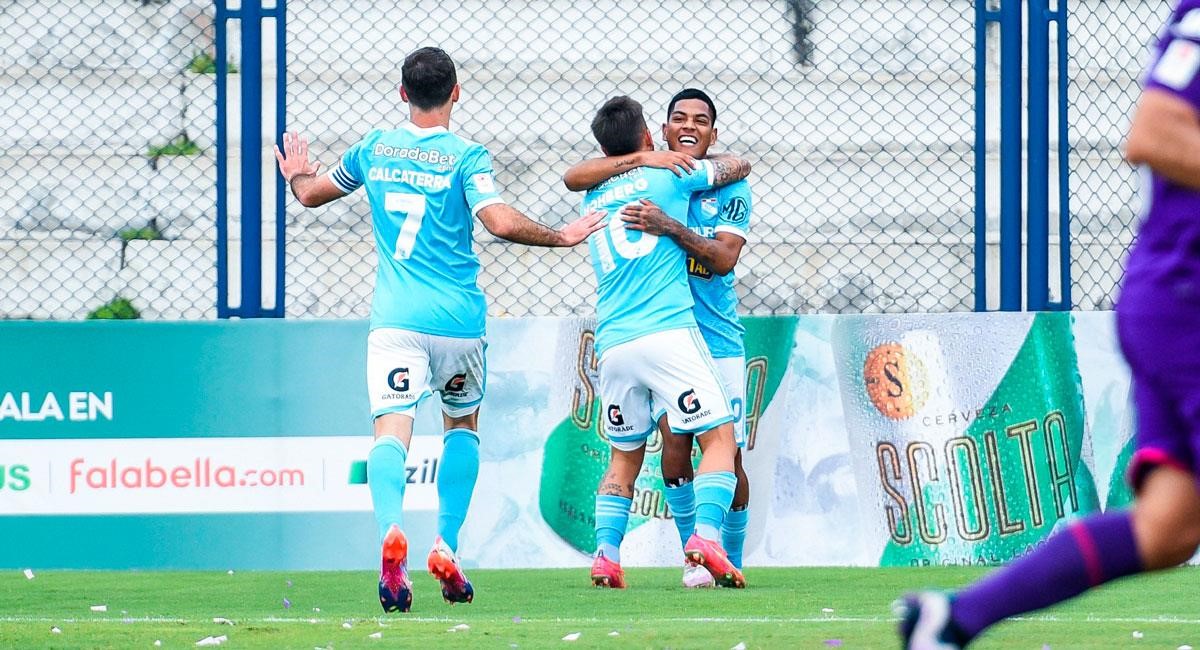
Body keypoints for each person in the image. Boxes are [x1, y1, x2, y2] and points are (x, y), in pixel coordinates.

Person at [900, 4, 1200, 646]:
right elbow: (1154, 131)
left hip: (1171, 299)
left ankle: (952, 620)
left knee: (1167, 528)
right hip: (1188, 298)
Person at [274, 46, 603, 613]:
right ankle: (446, 544)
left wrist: (297, 172)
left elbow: (309, 194)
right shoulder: (466, 156)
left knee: (390, 433)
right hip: (457, 324)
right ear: (456, 92)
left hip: (396, 323)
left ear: (403, 93)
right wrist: (561, 235)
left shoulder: (374, 148)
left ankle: (391, 531)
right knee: (462, 427)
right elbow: (497, 221)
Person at [564, 88, 753, 589]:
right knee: (707, 441)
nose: (689, 126)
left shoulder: (597, 192)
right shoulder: (671, 175)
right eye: (679, 119)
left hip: (629, 338)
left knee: (627, 455)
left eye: (700, 120)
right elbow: (741, 162)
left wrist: (668, 224)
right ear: (657, 133)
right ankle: (701, 546)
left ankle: (608, 555)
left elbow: (725, 255)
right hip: (671, 331)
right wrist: (653, 162)